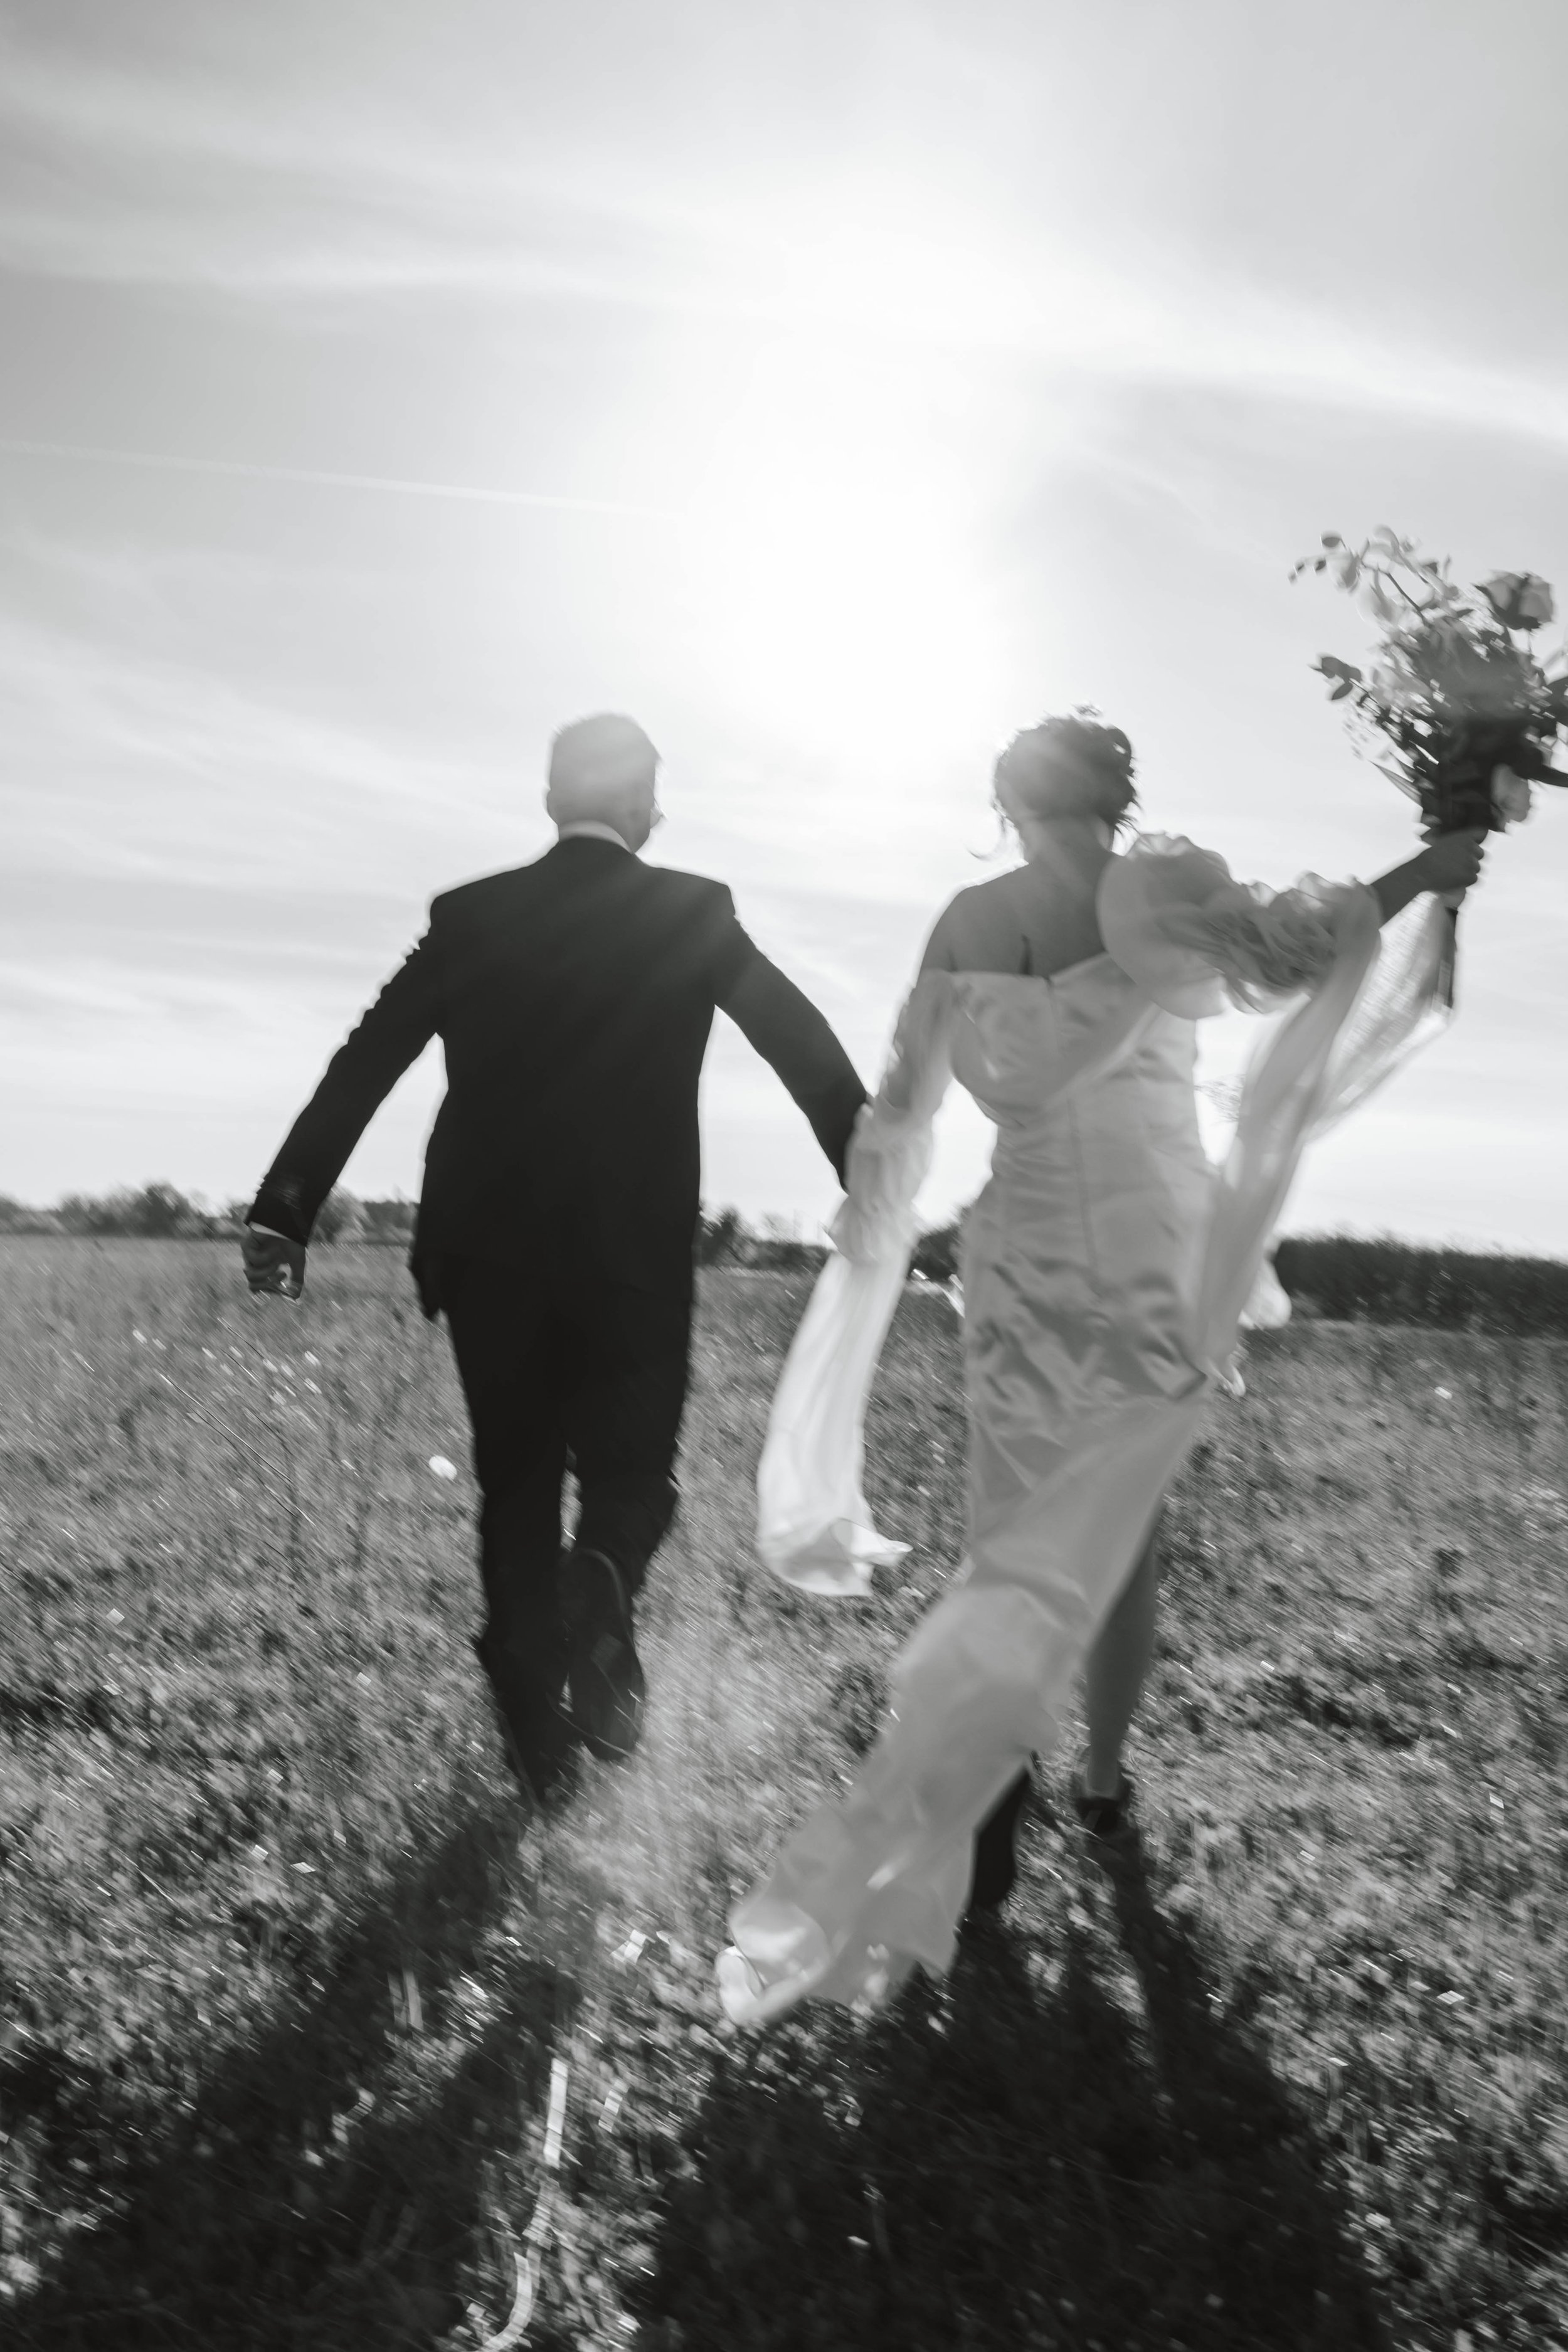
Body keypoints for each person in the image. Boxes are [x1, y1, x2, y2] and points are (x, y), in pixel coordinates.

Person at [720, 712, 1485, 2024]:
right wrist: (1428, 865)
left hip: (1017, 1261)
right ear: (1117, 798)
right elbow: (1300, 949)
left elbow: (903, 1111)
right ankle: (1102, 1778)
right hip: (1144, 1256)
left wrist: (871, 1231)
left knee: (1011, 1533)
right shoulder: (1157, 896)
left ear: (1005, 804)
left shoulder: (965, 922)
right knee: (1121, 1528)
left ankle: (987, 1786)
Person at [243, 714, 866, 1800]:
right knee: (633, 1476)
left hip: (487, 1247)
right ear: (645, 806)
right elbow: (796, 1038)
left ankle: (541, 1751)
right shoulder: (692, 910)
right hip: (632, 1249)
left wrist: (286, 1206)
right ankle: (606, 1571)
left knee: (516, 1484)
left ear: (550, 800)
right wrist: (872, 1171)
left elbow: (368, 1057)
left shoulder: (471, 914)